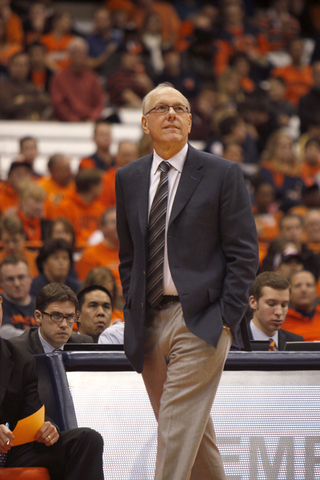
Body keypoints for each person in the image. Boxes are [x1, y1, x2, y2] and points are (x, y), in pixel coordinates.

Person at [115, 82, 259, 480]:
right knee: (191, 433)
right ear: (146, 123)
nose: (172, 114)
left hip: (202, 317)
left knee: (176, 426)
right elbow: (129, 256)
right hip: (149, 319)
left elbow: (245, 252)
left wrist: (226, 316)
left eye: (180, 108)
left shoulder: (221, 172)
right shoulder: (128, 177)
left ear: (191, 121)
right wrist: (133, 307)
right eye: (162, 109)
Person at [0, 300, 105, 479]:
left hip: (9, 451)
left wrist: (49, 428)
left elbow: (32, 412)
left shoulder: (20, 359)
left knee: (87, 439)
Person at [10, 283, 92, 354]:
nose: (64, 325)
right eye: (56, 316)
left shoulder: (84, 345)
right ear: (38, 316)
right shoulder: (17, 349)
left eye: (70, 317)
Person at [50, 36, 105, 122]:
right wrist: (73, 119)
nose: (78, 56)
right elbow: (58, 104)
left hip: (91, 122)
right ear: (70, 54)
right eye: (75, 52)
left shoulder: (93, 78)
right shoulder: (58, 78)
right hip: (66, 123)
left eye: (81, 53)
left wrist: (93, 118)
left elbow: (100, 102)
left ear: (86, 55)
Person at [248, 271, 304, 350]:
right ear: (253, 302)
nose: (279, 312)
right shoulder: (234, 342)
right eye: (271, 304)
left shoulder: (297, 343)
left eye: (284, 305)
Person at [76, 207, 120, 292]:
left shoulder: (133, 252)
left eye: (120, 221)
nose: (118, 225)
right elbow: (85, 289)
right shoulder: (89, 255)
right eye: (113, 222)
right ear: (103, 228)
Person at [0, 51, 51, 120]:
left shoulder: (31, 86)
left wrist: (23, 99)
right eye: (17, 65)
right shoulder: (3, 86)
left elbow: (46, 101)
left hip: (32, 125)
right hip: (8, 126)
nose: (21, 69)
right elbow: (7, 107)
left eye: (25, 65)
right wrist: (31, 99)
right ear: (10, 66)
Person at [0, 255, 37, 336]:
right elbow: (4, 334)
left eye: (21, 277)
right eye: (10, 279)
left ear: (30, 278)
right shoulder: (0, 304)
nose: (16, 284)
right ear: (1, 282)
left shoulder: (42, 305)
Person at [282, 270, 320, 341]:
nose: (304, 289)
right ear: (289, 292)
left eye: (309, 285)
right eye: (298, 286)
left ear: (316, 291)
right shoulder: (280, 318)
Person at [0, 213, 39, 278]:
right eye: (6, 241)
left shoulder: (35, 260)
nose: (11, 246)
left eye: (15, 240)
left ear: (23, 236)